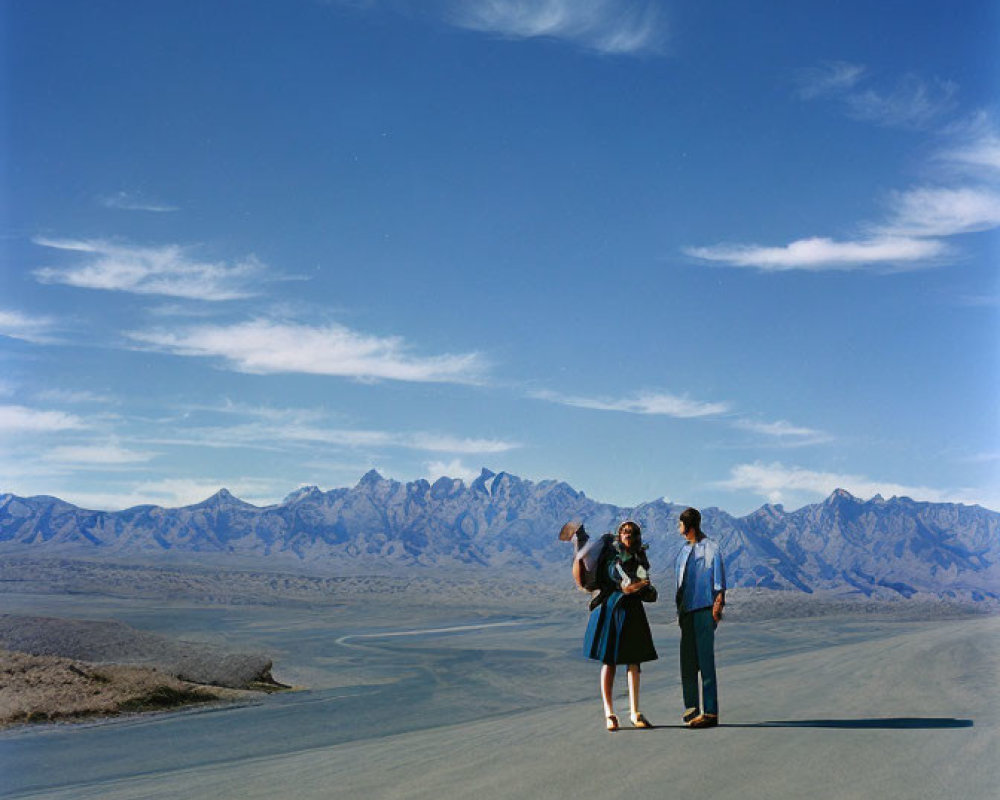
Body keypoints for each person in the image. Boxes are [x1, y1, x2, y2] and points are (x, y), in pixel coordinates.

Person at [581, 520, 658, 731]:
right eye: (625, 532)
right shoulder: (612, 557)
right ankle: (610, 713)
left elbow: (643, 578)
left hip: (632, 611)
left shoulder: (639, 557)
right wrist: (639, 585)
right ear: (619, 534)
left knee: (634, 662)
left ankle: (635, 711)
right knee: (609, 661)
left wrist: (644, 585)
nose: (628, 535)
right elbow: (621, 582)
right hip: (613, 609)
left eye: (632, 533)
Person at [674, 507, 726, 728]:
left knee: (705, 662)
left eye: (680, 524)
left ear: (689, 526)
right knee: (687, 663)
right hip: (686, 613)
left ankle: (711, 712)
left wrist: (717, 606)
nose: (679, 528)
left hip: (704, 610)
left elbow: (719, 581)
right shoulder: (684, 551)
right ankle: (692, 708)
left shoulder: (711, 548)